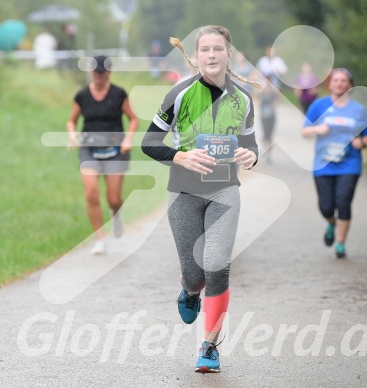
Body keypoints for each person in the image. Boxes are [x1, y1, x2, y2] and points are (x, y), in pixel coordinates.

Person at [141, 26, 260, 373]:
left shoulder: (243, 100)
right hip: (184, 191)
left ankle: (210, 347)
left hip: (225, 190)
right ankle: (189, 291)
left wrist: (251, 157)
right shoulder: (179, 94)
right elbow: (148, 143)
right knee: (195, 274)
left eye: (218, 49)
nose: (211, 55)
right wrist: (180, 156)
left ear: (229, 54)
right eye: (205, 49)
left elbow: (250, 146)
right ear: (196, 56)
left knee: (217, 264)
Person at [66, 55, 139, 255]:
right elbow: (71, 121)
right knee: (91, 194)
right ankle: (100, 239)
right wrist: (72, 136)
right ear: (91, 72)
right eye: (96, 72)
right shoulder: (82, 96)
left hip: (116, 151)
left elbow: (133, 119)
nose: (99, 76)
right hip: (89, 150)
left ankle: (116, 215)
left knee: (113, 198)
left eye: (103, 72)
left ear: (109, 72)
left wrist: (128, 139)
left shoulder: (118, 94)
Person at [301, 68, 367, 258]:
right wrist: (318, 129)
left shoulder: (359, 110)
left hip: (350, 163)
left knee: (343, 202)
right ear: (330, 84)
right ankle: (331, 223)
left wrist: (362, 142)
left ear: (350, 85)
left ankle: (341, 243)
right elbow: (305, 131)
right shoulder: (318, 105)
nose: (340, 84)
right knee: (326, 206)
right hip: (323, 164)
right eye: (336, 80)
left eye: (344, 81)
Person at [256, 75, 279, 164]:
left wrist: (275, 103)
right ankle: (264, 150)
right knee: (265, 134)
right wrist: (258, 102)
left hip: (271, 116)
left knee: (270, 135)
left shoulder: (274, 91)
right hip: (263, 115)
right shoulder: (260, 91)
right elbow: (255, 97)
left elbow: (279, 99)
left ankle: (268, 154)